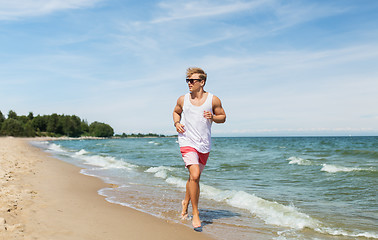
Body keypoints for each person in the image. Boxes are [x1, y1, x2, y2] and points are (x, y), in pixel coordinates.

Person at [173, 67, 226, 231]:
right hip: (186, 141)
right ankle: (196, 213)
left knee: (193, 178)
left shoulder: (213, 100)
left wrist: (213, 117)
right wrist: (177, 123)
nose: (189, 83)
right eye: (187, 81)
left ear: (201, 82)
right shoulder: (183, 99)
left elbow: (223, 117)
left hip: (203, 145)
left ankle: (185, 203)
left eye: (192, 81)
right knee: (195, 175)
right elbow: (176, 112)